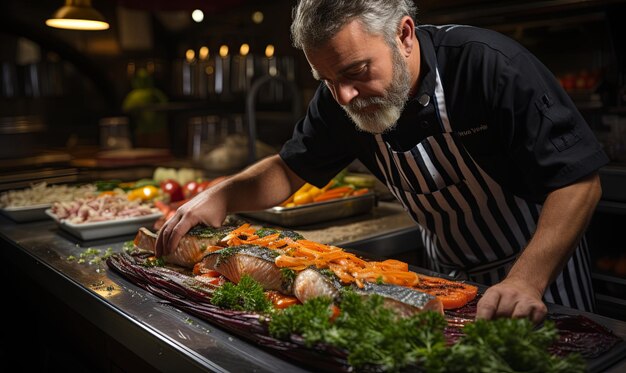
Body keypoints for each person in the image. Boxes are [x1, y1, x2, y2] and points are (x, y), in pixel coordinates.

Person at [157, 0, 608, 323]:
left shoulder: (489, 66)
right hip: (440, 281)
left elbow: (578, 182)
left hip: (539, 272)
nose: (343, 96)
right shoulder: (340, 98)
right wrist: (221, 195)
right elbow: (289, 168)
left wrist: (526, 280)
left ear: (404, 35)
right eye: (326, 80)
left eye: (355, 72)